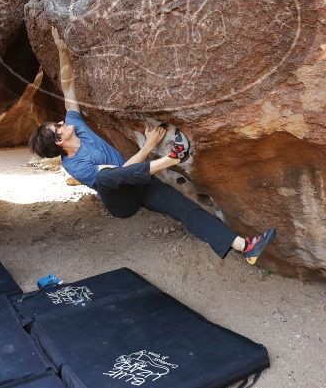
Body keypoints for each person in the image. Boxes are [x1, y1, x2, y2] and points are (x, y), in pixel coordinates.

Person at [29, 27, 276, 264]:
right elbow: (121, 174)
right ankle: (170, 159)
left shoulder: (76, 124)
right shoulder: (75, 165)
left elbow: (68, 85)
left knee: (185, 209)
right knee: (105, 179)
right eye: (57, 127)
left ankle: (246, 248)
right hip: (123, 201)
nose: (62, 121)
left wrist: (61, 50)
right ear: (60, 141)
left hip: (141, 182)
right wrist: (149, 146)